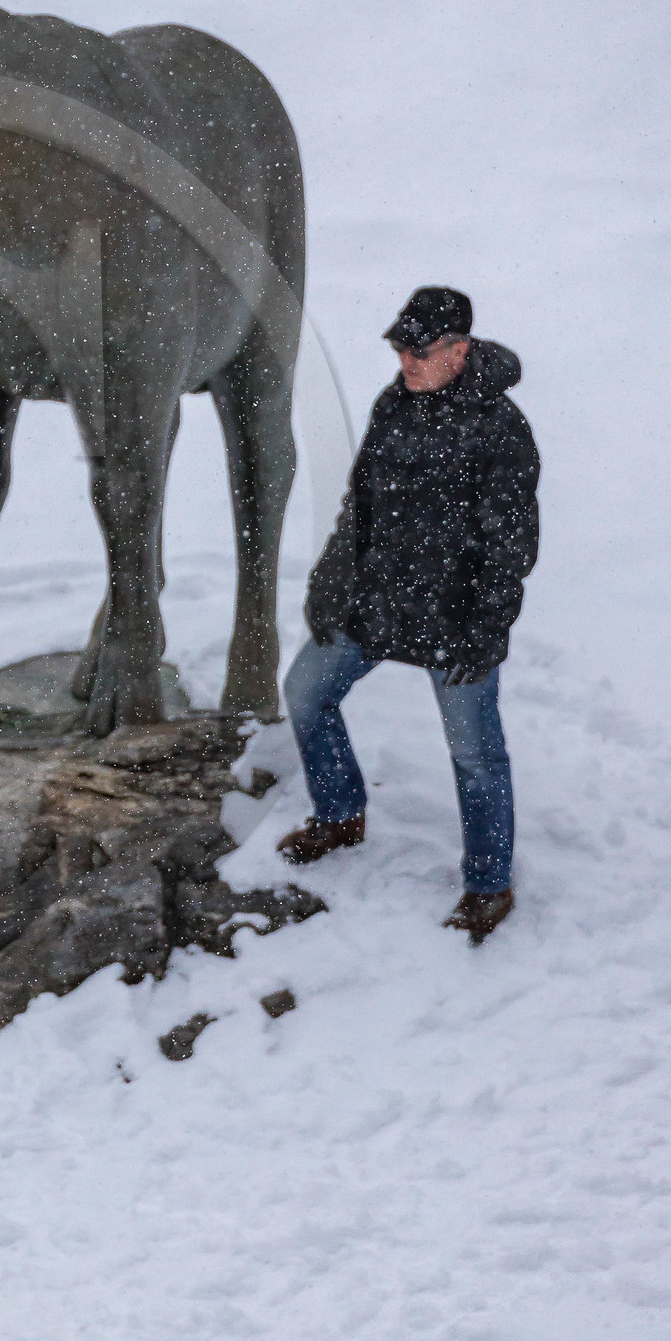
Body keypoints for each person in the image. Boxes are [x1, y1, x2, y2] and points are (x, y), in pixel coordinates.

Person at [277, 286, 539, 942]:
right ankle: (340, 813)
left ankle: (488, 883)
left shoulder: (500, 427)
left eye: (419, 350)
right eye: (400, 348)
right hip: (379, 604)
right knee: (306, 692)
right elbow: (358, 504)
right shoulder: (393, 404)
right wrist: (331, 580)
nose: (406, 362)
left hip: (456, 621)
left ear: (460, 350)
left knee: (475, 752)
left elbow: (512, 546)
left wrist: (487, 625)